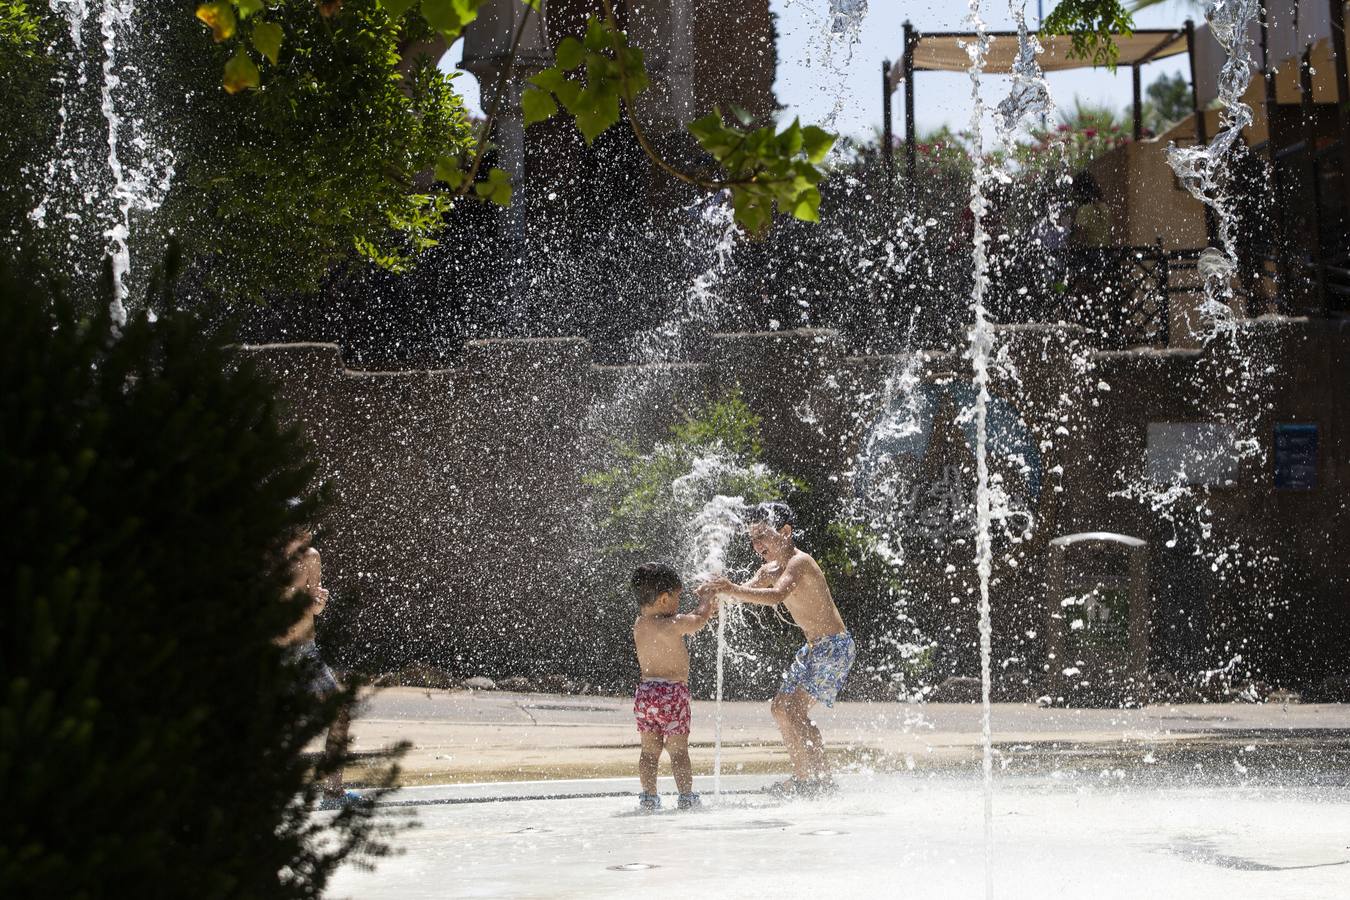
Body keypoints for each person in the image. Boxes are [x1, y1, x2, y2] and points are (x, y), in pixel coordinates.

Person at [697, 502, 854, 796]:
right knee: (781, 709)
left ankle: (821, 782)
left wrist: (731, 588)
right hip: (813, 649)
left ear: (785, 532)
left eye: (762, 536)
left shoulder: (800, 563)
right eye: (753, 539)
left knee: (794, 709)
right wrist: (713, 598)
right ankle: (805, 778)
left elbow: (776, 596)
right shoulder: (769, 569)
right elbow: (741, 594)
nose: (757, 545)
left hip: (834, 648)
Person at [278, 525, 358, 810]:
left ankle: (334, 792)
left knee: (340, 711)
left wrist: (318, 604)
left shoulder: (312, 557)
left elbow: (314, 607)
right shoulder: (265, 561)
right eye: (300, 533)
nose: (307, 539)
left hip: (306, 652)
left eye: (308, 533)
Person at [631, 562, 718, 812]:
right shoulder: (674, 624)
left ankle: (648, 797)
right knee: (678, 752)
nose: (678, 603)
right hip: (672, 694)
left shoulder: (640, 625)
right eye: (677, 597)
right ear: (664, 599)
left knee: (649, 752)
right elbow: (699, 620)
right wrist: (706, 597)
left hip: (646, 694)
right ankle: (686, 797)